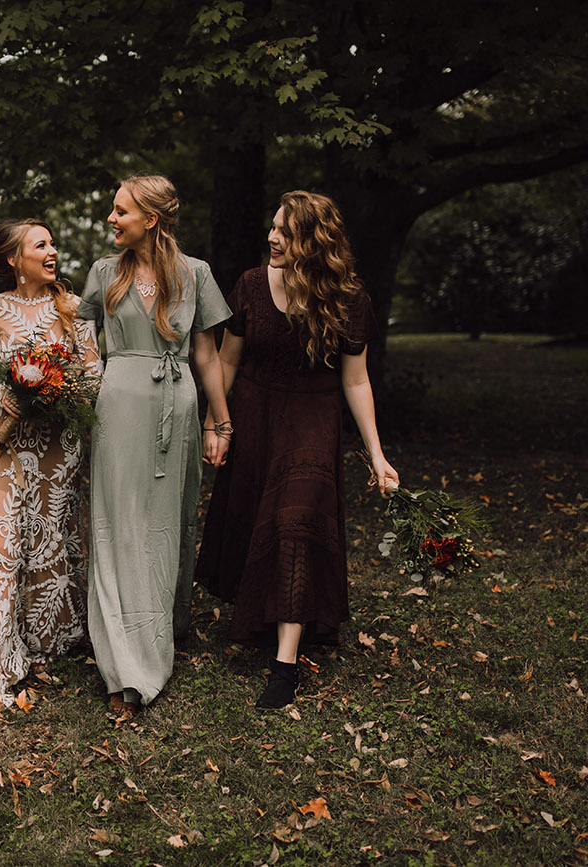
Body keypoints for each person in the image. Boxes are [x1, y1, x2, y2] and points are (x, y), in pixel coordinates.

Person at [195, 190, 399, 709]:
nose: (271, 237)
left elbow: (356, 381)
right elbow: (228, 360)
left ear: (313, 240)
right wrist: (216, 424)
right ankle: (273, 619)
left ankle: (284, 667)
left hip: (314, 418)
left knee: (295, 523)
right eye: (271, 227)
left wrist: (377, 454)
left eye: (284, 231)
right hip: (256, 415)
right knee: (258, 520)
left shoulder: (349, 298)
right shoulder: (249, 285)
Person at [77, 175, 232, 716]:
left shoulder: (196, 274)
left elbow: (208, 354)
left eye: (121, 211)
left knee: (165, 524)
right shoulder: (104, 273)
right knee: (117, 524)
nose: (112, 220)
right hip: (118, 406)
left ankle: (162, 625)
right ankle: (127, 663)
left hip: (177, 404)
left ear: (152, 218)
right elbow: (78, 342)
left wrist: (221, 422)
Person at [0, 219, 101, 713]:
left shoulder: (75, 308)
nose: (52, 251)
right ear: (13, 259)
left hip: (59, 445)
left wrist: (53, 394)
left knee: (48, 538)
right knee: (1, 540)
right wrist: (8, 395)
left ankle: (46, 643)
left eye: (53, 244)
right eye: (40, 245)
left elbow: (91, 375)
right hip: (5, 442)